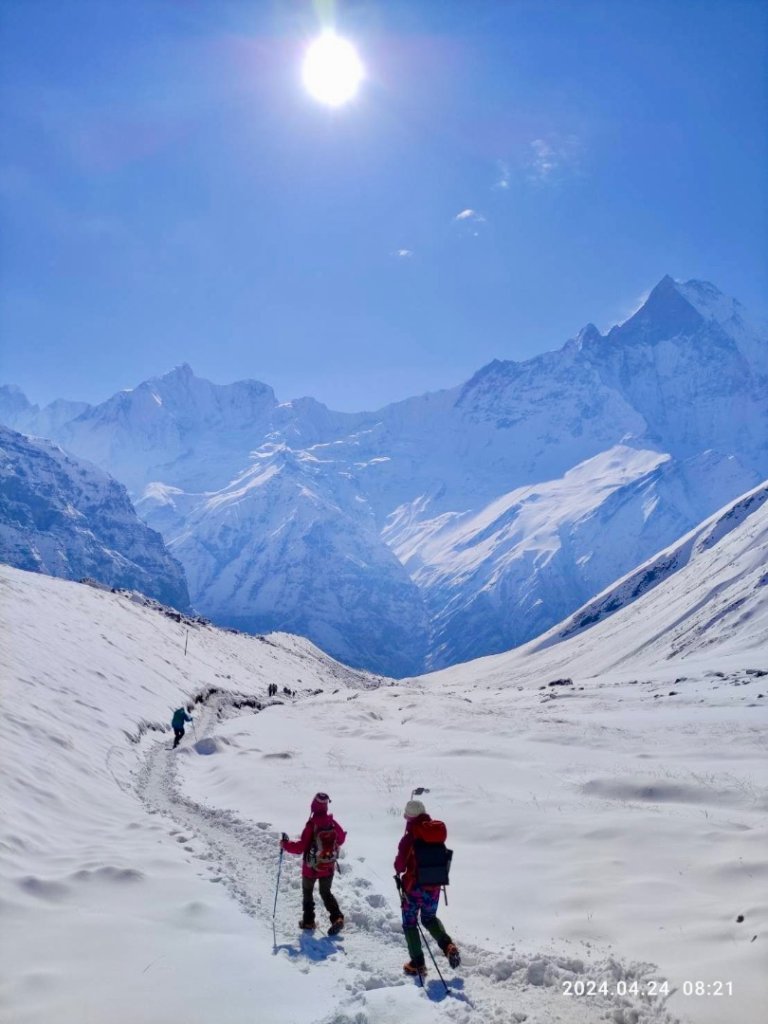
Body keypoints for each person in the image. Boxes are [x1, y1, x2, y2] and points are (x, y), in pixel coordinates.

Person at [395, 799, 461, 977]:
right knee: (429, 918)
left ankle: (417, 963)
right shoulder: (436, 834)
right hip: (434, 888)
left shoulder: (410, 838)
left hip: (413, 890)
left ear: (409, 818)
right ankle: (448, 945)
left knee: (410, 924)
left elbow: (399, 866)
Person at [281, 792, 346, 934]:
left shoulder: (312, 825)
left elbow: (300, 847)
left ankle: (309, 922)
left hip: (311, 867)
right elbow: (341, 839)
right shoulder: (332, 822)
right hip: (328, 865)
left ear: (313, 806)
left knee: (308, 892)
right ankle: (337, 918)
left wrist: (285, 845)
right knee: (326, 892)